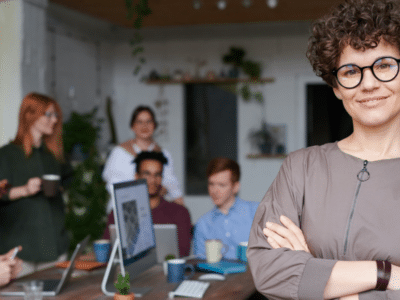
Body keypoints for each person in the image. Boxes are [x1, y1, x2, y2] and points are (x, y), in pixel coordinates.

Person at [248, 0, 400, 299]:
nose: (368, 84)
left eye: (384, 66)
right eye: (350, 71)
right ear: (336, 87)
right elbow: (268, 270)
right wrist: (386, 273)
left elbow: (294, 281)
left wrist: (315, 275)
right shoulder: (300, 168)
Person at [0, 93, 69, 276]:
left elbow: (66, 183)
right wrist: (25, 190)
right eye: (48, 114)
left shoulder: (53, 156)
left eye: (56, 115)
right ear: (30, 115)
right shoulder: (6, 155)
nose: (54, 120)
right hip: (21, 251)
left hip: (55, 247)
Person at [105, 151, 192, 257]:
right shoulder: (119, 212)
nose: (152, 180)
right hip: (129, 271)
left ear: (162, 177)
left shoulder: (180, 213)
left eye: (157, 174)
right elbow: (107, 251)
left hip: (165, 271)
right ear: (136, 176)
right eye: (147, 174)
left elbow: (183, 253)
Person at [102, 105, 184, 211]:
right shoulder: (119, 153)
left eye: (148, 122)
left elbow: (172, 186)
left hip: (155, 210)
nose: (144, 126)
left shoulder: (163, 154)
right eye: (139, 122)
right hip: (124, 209)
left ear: (154, 125)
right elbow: (113, 186)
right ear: (132, 126)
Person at [193, 157, 259, 260]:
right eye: (211, 184)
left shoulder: (256, 212)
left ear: (236, 187)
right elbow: (200, 263)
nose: (215, 190)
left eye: (221, 185)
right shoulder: (203, 224)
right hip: (217, 275)